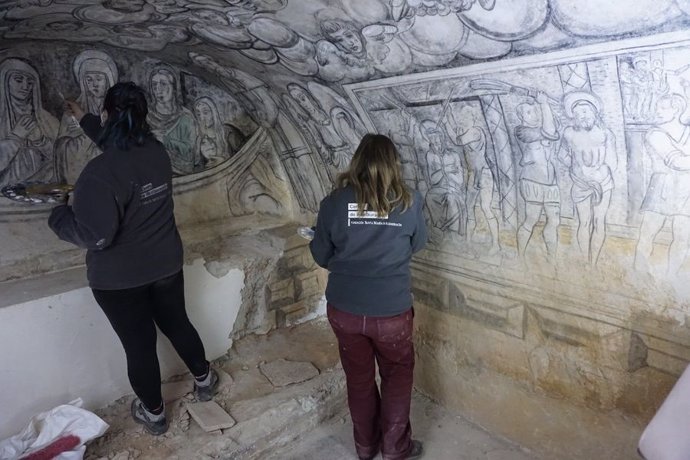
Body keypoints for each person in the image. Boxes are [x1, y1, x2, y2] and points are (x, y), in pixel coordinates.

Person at [48, 82, 218, 436]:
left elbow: (95, 235)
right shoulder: (156, 152)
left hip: (119, 280)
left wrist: (58, 216)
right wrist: (84, 119)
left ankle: (154, 414)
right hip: (165, 265)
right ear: (143, 117)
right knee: (177, 323)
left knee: (139, 346)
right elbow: (120, 147)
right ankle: (205, 378)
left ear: (108, 114)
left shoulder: (98, 173)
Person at [309, 134, 427, 460]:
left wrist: (344, 258)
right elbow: (417, 245)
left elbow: (321, 255)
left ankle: (365, 448)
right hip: (391, 312)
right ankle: (395, 449)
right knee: (397, 376)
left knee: (359, 380)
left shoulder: (334, 203)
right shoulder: (409, 202)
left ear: (357, 161)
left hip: (345, 310)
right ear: (393, 164)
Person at [558, 91, 617, 266]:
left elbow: (613, 161)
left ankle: (594, 263)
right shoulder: (569, 133)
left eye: (586, 111)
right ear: (573, 116)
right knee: (584, 222)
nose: (583, 115)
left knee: (599, 221)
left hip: (603, 183)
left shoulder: (606, 133)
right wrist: (578, 170)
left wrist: (598, 173)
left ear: (594, 112)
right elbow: (562, 156)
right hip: (580, 182)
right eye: (578, 112)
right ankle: (585, 262)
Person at [54, 50, 118, 184]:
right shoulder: (72, 113)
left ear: (108, 80)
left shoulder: (117, 111)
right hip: (84, 175)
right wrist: (78, 138)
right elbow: (62, 149)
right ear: (83, 82)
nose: (94, 84)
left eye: (99, 79)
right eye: (89, 79)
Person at [514, 91, 560, 262]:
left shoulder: (543, 128)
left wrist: (544, 106)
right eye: (528, 112)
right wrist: (544, 103)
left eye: (534, 111)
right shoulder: (521, 131)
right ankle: (521, 257)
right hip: (532, 181)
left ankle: (552, 259)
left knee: (554, 220)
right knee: (531, 219)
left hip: (550, 183)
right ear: (521, 116)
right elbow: (550, 132)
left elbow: (552, 131)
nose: (533, 114)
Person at [0, 57, 59, 187]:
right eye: (18, 80)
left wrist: (41, 141)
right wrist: (15, 137)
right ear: (4, 81)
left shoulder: (46, 119)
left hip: (39, 189)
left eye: (30, 82)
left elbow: (63, 158)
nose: (25, 86)